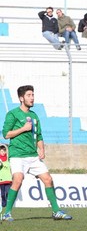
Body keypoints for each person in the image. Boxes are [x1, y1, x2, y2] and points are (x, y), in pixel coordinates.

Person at [1, 85, 72, 221]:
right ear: (21, 98)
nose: (32, 98)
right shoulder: (13, 114)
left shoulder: (34, 116)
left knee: (48, 179)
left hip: (33, 155)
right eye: (29, 95)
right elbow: (6, 134)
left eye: (33, 95)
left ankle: (56, 211)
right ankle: (7, 213)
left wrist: (42, 149)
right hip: (18, 155)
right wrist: (22, 129)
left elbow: (38, 135)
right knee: (18, 180)